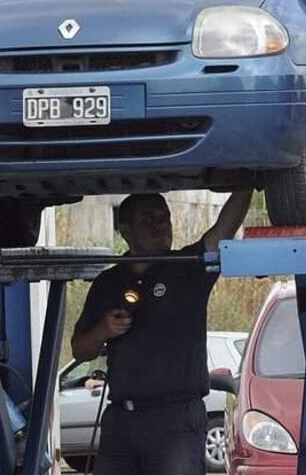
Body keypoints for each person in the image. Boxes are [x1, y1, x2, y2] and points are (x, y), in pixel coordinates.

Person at [71, 190, 252, 475]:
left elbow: (224, 229)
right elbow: (80, 349)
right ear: (125, 230)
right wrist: (103, 329)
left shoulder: (187, 268)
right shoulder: (108, 282)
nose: (160, 224)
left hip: (174, 419)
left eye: (164, 216)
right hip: (121, 420)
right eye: (148, 218)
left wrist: (248, 183)